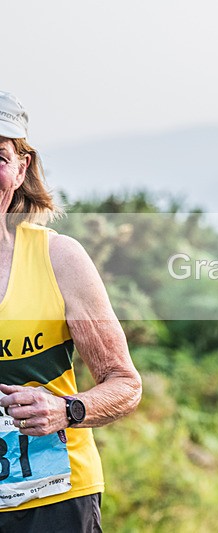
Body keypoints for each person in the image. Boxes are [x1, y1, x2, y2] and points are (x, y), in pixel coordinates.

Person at [0, 90, 142, 532]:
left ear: (22, 169)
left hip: (55, 499)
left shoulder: (59, 259)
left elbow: (124, 384)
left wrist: (66, 411)